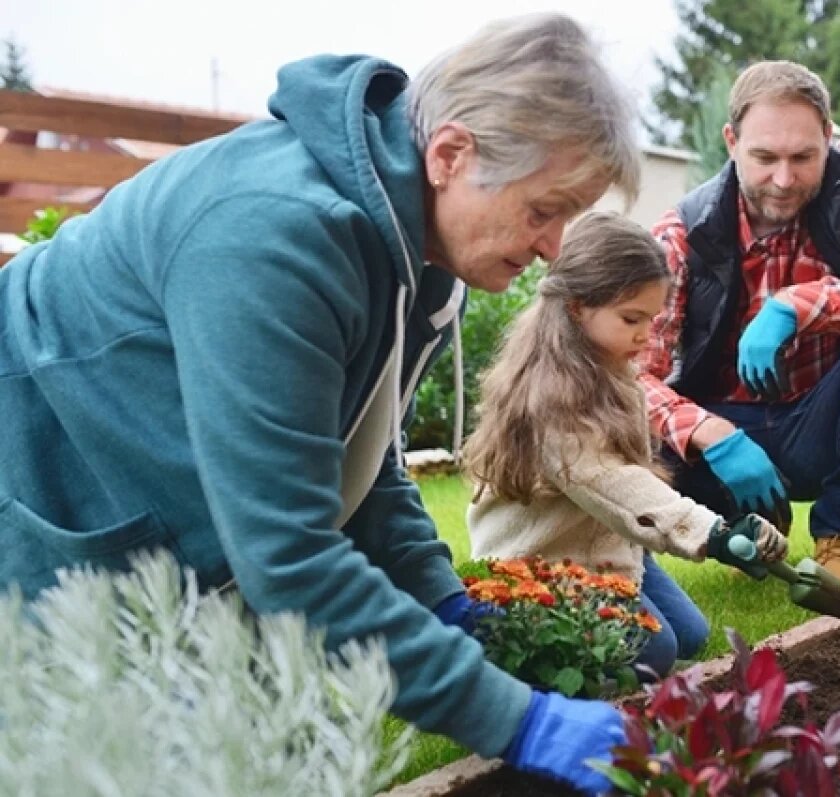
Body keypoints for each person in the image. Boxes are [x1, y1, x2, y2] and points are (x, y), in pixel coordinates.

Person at [0, 13, 642, 794]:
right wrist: (521, 720)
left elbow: (365, 459)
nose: (553, 245)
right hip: (41, 486)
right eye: (544, 208)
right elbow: (288, 554)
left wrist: (443, 601)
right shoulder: (274, 238)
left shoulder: (426, 254)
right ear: (450, 155)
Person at [638, 60, 840, 595]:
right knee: (636, 431)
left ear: (829, 137)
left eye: (804, 156)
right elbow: (628, 376)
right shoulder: (681, 234)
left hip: (824, 420)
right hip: (725, 439)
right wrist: (708, 433)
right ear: (731, 141)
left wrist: (799, 304)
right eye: (764, 158)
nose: (784, 180)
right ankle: (747, 531)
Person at [463, 211, 789, 677]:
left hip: (601, 540)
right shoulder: (549, 397)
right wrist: (712, 533)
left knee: (689, 636)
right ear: (578, 307)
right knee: (653, 655)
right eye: (631, 318)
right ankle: (499, 629)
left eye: (651, 319)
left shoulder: (615, 370)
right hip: (543, 561)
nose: (646, 334)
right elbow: (614, 484)